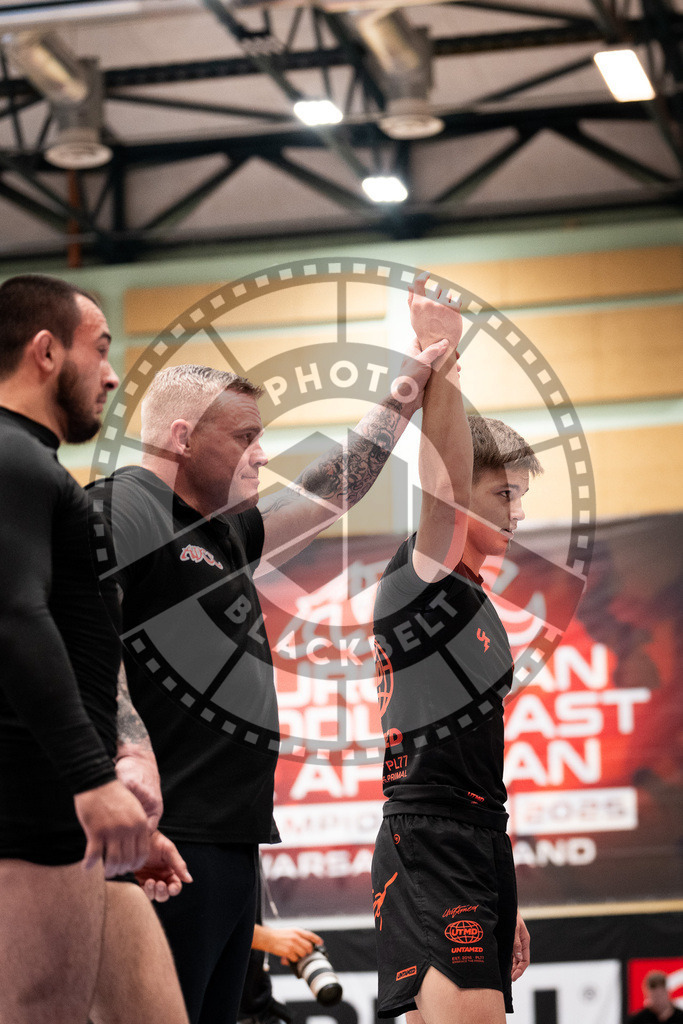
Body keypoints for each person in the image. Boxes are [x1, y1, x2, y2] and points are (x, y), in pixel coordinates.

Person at [91, 320, 451, 1023]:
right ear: (181, 436)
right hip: (168, 838)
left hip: (230, 838)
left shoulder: (223, 529)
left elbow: (332, 488)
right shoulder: (125, 503)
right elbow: (81, 632)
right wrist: (127, 747)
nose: (263, 455)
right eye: (244, 437)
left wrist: (406, 391)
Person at [0, 274, 189, 1024]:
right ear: (46, 351)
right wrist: (89, 781)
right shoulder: (14, 463)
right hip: (34, 803)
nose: (112, 374)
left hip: (56, 805)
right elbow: (12, 618)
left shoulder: (32, 468)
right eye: (100, 350)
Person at [371, 275, 536, 1022]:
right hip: (429, 836)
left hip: (474, 838)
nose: (517, 513)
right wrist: (446, 357)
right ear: (464, 493)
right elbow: (439, 484)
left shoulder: (474, 601)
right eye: (502, 495)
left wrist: (508, 895)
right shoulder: (422, 576)